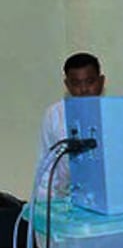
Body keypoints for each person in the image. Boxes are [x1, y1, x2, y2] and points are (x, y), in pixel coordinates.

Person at [38, 52, 105, 188]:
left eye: (90, 81)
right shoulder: (54, 114)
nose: (84, 89)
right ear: (67, 85)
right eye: (76, 83)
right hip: (66, 198)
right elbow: (46, 165)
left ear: (101, 81)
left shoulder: (114, 113)